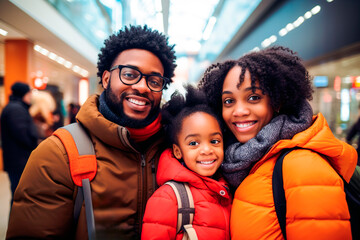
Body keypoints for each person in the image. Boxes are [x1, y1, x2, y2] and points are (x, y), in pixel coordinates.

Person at [6, 25, 177, 240]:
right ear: (106, 79)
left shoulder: (176, 149)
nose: (143, 87)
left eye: (154, 81)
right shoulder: (59, 154)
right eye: (130, 74)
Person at [198, 46, 357, 240]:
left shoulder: (303, 165)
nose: (239, 111)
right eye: (229, 101)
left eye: (253, 97)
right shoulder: (238, 163)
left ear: (277, 101)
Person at [141, 85, 231, 240]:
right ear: (177, 151)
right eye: (193, 143)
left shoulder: (226, 190)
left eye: (214, 141)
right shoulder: (168, 198)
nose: (207, 150)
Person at [0, 82, 38, 196]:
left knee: (18, 194)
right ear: (24, 94)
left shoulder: (15, 107)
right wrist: (35, 144)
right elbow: (22, 134)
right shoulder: (16, 109)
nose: (31, 96)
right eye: (29, 93)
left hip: (16, 160)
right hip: (19, 161)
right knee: (19, 196)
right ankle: (16, 215)